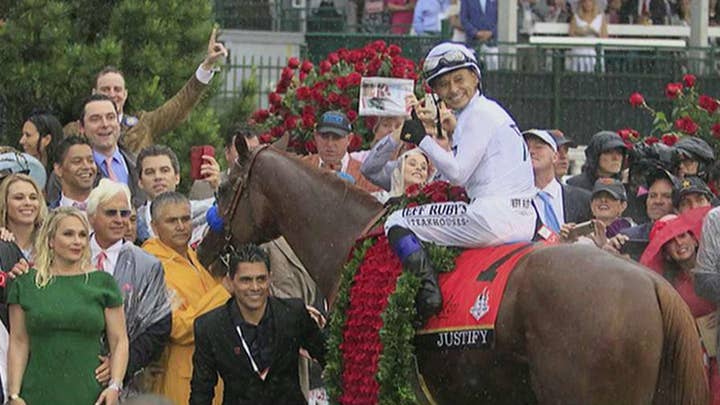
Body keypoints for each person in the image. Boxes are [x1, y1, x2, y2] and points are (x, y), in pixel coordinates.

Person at [386, 42, 537, 321]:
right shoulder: (485, 111)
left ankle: (428, 293)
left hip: (492, 217)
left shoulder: (478, 114)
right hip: (523, 218)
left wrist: (421, 139)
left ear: (475, 77)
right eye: (443, 85)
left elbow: (457, 174)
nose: (453, 89)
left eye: (459, 79)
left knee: (396, 221)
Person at [6, 207, 128, 405]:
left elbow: (119, 339)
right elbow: (18, 342)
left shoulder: (103, 283)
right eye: (68, 234)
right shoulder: (25, 283)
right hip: (37, 393)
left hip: (92, 394)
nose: (77, 241)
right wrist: (14, 395)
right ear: (50, 240)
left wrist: (115, 385)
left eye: (82, 235)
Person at [189, 244, 326, 405]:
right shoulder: (210, 327)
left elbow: (328, 356)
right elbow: (201, 392)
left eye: (261, 279)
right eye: (246, 280)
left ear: (270, 277)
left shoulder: (293, 313)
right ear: (231, 281)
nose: (254, 287)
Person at [64, 29, 228, 155]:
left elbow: (180, 104)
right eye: (105, 89)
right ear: (94, 93)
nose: (112, 94)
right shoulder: (74, 131)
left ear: (126, 94)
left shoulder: (143, 124)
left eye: (117, 89)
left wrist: (206, 66)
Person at [86, 179, 172, 398]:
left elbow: (159, 326)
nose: (119, 220)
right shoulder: (71, 253)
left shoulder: (147, 265)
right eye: (111, 213)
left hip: (127, 383)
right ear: (92, 216)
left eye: (125, 214)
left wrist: (120, 363)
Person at [143, 192, 229, 405]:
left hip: (213, 375)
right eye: (172, 221)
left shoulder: (192, 257)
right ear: (154, 227)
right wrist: (225, 290)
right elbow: (178, 327)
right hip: (181, 378)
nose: (181, 226)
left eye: (186, 218)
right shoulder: (152, 265)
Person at [639, 210, 720, 404]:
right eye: (671, 241)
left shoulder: (714, 265)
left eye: (682, 235)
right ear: (665, 252)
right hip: (696, 363)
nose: (680, 244)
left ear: (694, 238)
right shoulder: (669, 289)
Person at [135, 145, 219, 245]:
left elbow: (230, 210)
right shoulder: (131, 223)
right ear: (140, 182)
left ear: (177, 177)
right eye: (150, 172)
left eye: (164, 170)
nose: (158, 177)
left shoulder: (200, 212)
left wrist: (218, 186)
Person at [523, 129, 591, 232]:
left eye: (538, 147)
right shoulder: (514, 200)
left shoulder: (582, 199)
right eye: (526, 148)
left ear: (555, 157)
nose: (531, 152)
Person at [302, 111, 379, 193]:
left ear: (349, 139)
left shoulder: (365, 177)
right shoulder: (302, 166)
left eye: (337, 137)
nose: (330, 144)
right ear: (316, 136)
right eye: (325, 136)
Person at [0, 174, 48, 264]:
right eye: (19, 198)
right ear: (4, 203)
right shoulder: (2, 242)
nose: (28, 203)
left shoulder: (51, 241)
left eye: (33, 198)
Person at [48, 135, 98, 210]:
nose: (86, 166)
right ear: (58, 169)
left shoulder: (110, 208)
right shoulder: (48, 216)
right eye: (77, 161)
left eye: (90, 161)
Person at [567, 0, 608, 73]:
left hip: (595, 50)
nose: (588, 4)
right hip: (580, 48)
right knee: (579, 53)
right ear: (581, 3)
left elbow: (605, 37)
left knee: (595, 55)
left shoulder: (600, 17)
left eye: (590, 1)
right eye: (585, 2)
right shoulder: (576, 17)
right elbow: (571, 34)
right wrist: (580, 32)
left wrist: (595, 33)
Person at [18, 111, 63, 176]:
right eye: (23, 135)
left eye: (28, 135)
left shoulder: (61, 175)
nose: (21, 141)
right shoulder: (21, 170)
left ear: (47, 139)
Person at [460, 0, 499, 70]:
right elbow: (464, 19)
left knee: (494, 62)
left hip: (492, 43)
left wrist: (491, 33)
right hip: (473, 43)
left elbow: (501, 18)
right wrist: (476, 33)